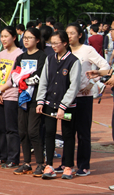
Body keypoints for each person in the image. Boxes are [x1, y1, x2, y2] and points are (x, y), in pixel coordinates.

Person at [36, 30, 81, 180]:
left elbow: (73, 87)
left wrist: (63, 106)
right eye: (51, 43)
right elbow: (44, 81)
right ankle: (49, 165)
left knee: (68, 134)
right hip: (49, 103)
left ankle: (68, 166)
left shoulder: (74, 61)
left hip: (67, 107)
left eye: (56, 43)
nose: (53, 46)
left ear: (65, 43)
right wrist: (40, 101)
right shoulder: (49, 59)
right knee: (49, 133)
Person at [66, 23, 109, 177]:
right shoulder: (64, 51)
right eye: (67, 33)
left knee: (83, 133)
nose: (69, 36)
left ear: (79, 35)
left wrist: (92, 83)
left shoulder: (87, 50)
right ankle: (67, 165)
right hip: (67, 100)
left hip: (83, 98)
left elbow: (105, 66)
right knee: (68, 133)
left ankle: (84, 165)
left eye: (72, 33)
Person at [9, 28, 47, 176]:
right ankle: (26, 163)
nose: (26, 40)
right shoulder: (20, 57)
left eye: (30, 38)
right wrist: (20, 81)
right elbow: (14, 75)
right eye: (25, 37)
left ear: (37, 40)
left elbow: (40, 77)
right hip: (22, 98)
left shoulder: (43, 57)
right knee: (23, 131)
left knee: (33, 131)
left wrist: (23, 80)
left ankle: (40, 163)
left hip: (36, 99)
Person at [0, 27, 23, 169]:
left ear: (14, 37)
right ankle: (1, 156)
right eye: (2, 36)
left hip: (12, 95)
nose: (3, 39)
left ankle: (13, 158)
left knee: (11, 128)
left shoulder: (20, 55)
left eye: (6, 36)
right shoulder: (0, 55)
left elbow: (15, 78)